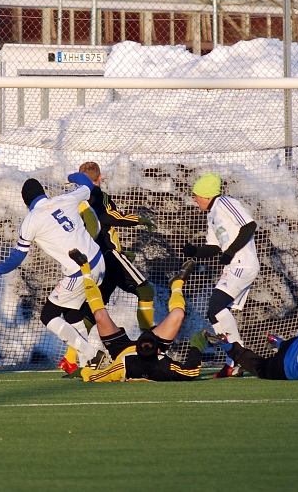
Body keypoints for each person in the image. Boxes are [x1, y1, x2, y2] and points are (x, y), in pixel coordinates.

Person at [0, 174, 106, 374]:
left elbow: (16, 259)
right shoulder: (64, 199)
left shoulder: (30, 221)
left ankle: (92, 353)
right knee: (72, 313)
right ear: (43, 193)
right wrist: (71, 176)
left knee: (49, 315)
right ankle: (87, 364)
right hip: (99, 262)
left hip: (79, 271)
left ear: (26, 203)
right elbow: (87, 184)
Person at [56, 162, 159, 374]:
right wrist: (138, 219)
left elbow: (96, 229)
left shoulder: (72, 199)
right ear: (100, 178)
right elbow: (108, 218)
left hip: (94, 260)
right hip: (108, 256)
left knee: (92, 313)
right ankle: (149, 346)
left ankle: (70, 357)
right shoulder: (96, 194)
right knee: (146, 291)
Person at [69, 249, 207, 382]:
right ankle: (176, 284)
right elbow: (190, 371)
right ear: (159, 350)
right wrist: (196, 347)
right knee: (178, 314)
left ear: (136, 348)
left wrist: (82, 371)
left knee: (99, 315)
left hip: (121, 349)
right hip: (150, 355)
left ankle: (85, 269)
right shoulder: (164, 366)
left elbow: (95, 377)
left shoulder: (124, 365)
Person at [182, 172, 259, 378]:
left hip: (243, 263)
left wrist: (231, 252)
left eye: (196, 195)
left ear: (207, 195)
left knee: (215, 307)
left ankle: (237, 358)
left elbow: (249, 226)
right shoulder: (212, 213)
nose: (195, 199)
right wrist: (195, 252)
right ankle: (234, 361)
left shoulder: (225, 202)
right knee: (215, 311)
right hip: (234, 266)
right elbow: (214, 247)